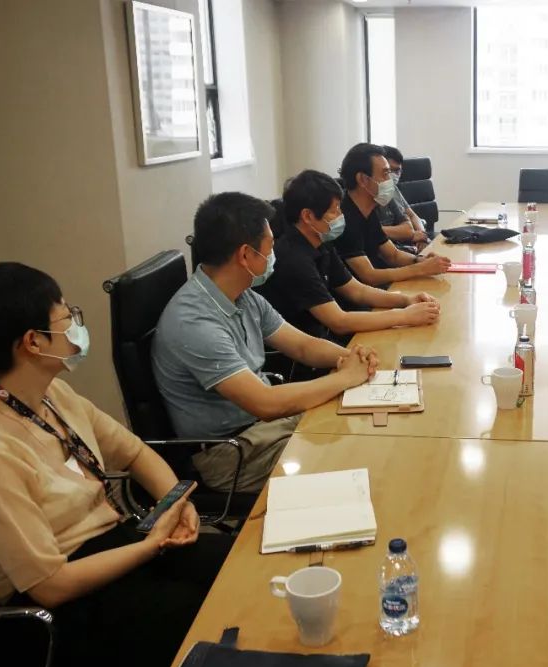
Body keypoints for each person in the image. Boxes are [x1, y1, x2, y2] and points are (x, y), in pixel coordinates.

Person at [0, 262, 233, 667]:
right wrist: (150, 546)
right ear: (33, 341)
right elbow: (50, 585)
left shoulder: (52, 395)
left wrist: (177, 503)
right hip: (70, 602)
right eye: (66, 316)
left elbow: (135, 454)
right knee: (212, 618)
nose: (76, 326)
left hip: (116, 546)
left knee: (236, 564)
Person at [152, 192, 378, 493]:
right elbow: (265, 403)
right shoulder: (194, 323)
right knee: (348, 461)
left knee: (359, 430)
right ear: (246, 255)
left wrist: (351, 357)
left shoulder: (242, 295)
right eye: (270, 245)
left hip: (263, 429)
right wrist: (346, 377)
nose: (274, 254)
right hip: (231, 452)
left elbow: (303, 346)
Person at [258, 170, 441, 344]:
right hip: (304, 351)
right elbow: (339, 322)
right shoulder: (294, 258)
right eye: (334, 210)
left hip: (324, 337)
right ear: (308, 216)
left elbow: (357, 290)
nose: (341, 215)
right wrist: (404, 316)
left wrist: (406, 300)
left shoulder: (321, 242)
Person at [335, 143, 451, 286]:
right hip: (364, 294)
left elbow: (393, 255)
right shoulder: (344, 218)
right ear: (363, 179)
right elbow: (369, 275)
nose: (390, 180)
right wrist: (420, 269)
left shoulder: (368, 212)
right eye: (385, 174)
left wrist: (421, 260)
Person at [379, 145, 430, 246]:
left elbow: (412, 216)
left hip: (403, 244)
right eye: (389, 170)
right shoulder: (372, 194)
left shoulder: (392, 189)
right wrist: (412, 235)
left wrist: (421, 236)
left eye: (397, 170)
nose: (393, 175)